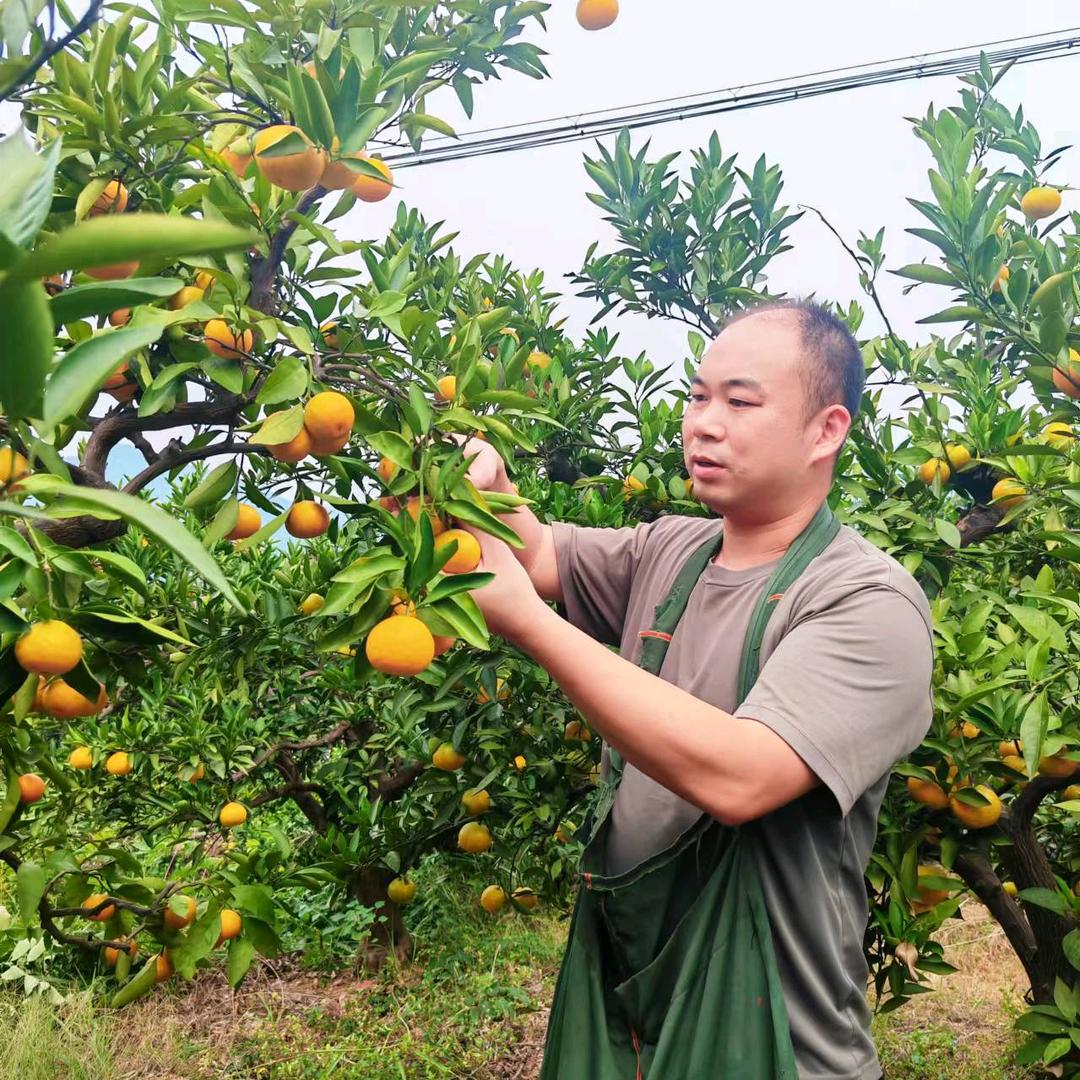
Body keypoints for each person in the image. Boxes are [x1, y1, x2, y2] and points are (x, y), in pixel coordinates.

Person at [456, 299, 934, 1080]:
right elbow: (534, 550)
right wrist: (482, 481)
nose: (704, 423)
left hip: (780, 1047)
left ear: (826, 430)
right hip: (629, 1026)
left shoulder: (865, 602)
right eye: (697, 395)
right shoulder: (671, 550)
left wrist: (527, 625)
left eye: (740, 402)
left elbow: (741, 776)